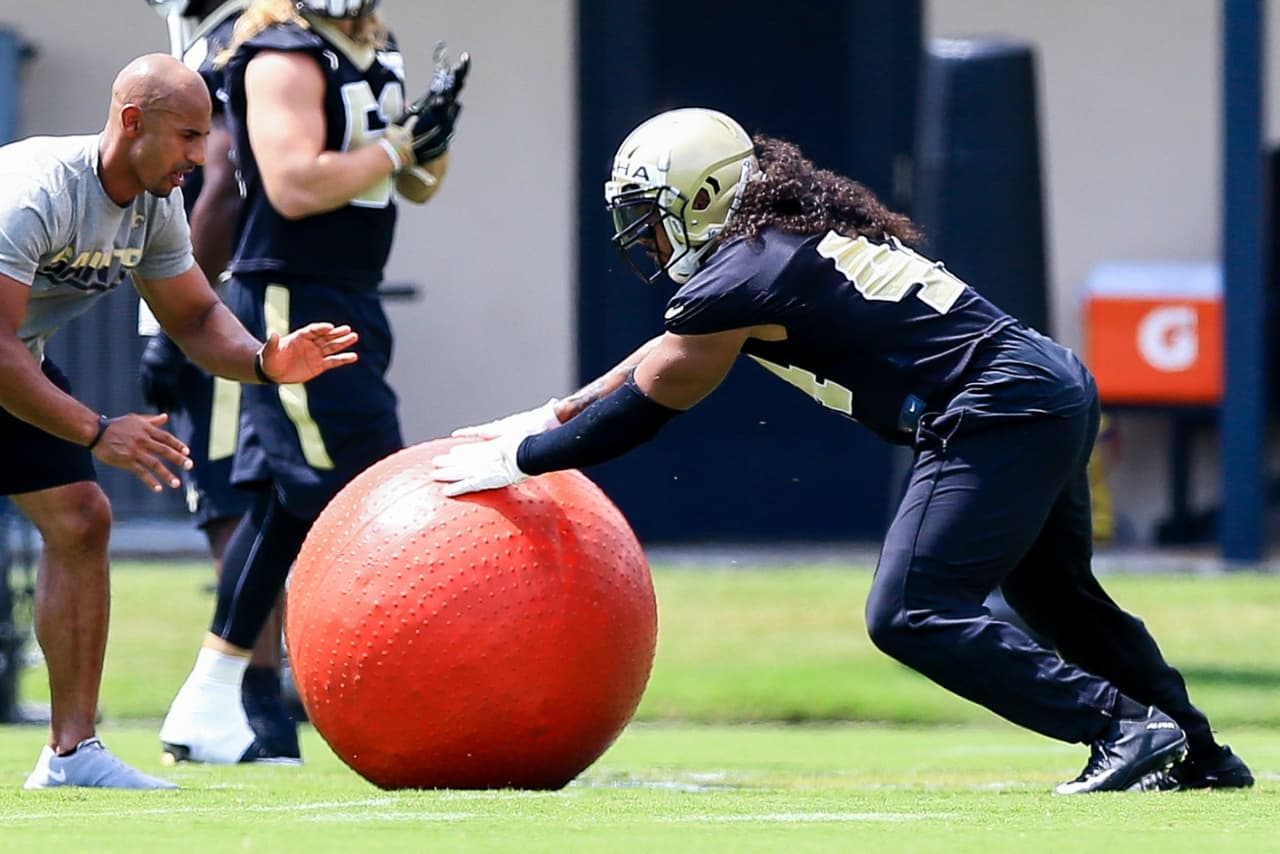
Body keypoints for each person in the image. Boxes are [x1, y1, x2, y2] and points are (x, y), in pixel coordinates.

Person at [431, 107, 1254, 795]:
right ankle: (1197, 752)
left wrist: (527, 458)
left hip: (994, 406)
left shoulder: (741, 275)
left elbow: (652, 403)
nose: (643, 238)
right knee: (1062, 601)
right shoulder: (784, 235)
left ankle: (1119, 727)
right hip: (1044, 383)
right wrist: (548, 412)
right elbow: (664, 352)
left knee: (909, 613)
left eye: (651, 214)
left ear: (706, 195)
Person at [0, 52, 359, 789]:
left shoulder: (155, 203)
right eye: (189, 136)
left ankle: (71, 756)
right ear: (133, 122)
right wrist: (98, 430)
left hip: (16, 358)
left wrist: (264, 359)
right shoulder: (35, 193)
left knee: (79, 518)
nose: (201, 157)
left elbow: (194, 316)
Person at [158, 0, 467, 764]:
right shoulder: (279, 51)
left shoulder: (375, 45)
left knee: (289, 501)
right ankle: (407, 687)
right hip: (294, 294)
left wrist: (431, 140)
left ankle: (210, 698)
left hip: (351, 288)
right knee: (368, 489)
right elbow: (294, 184)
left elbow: (417, 186)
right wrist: (398, 149)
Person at [138, 0, 300, 758]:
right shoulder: (237, 34)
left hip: (231, 298)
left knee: (238, 498)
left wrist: (175, 325)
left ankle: (253, 701)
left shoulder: (237, 37)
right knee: (245, 496)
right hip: (260, 290)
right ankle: (254, 695)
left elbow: (223, 182)